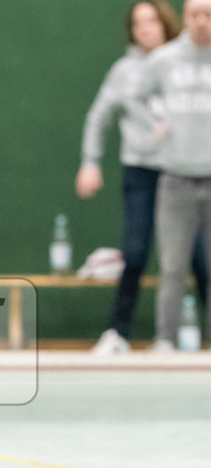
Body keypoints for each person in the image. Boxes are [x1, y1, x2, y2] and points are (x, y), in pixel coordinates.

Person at [78, 1, 208, 354]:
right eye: (138, 24)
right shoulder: (127, 71)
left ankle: (194, 335)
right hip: (141, 171)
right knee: (135, 252)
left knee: (200, 257)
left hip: (183, 171)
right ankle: (118, 333)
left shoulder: (191, 60)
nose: (145, 29)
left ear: (166, 23)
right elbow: (99, 115)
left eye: (151, 21)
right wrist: (90, 161)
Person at [136, 0, 211, 350]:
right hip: (176, 180)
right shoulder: (164, 60)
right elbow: (136, 95)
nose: (202, 21)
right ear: (185, 18)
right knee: (173, 267)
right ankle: (165, 340)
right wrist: (157, 118)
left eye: (209, 14)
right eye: (196, 14)